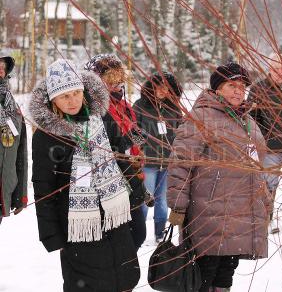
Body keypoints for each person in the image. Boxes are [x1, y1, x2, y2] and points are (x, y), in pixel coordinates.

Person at [30, 59, 140, 292]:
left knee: (123, 277)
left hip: (113, 215)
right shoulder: (46, 136)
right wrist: (52, 235)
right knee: (89, 283)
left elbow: (118, 157)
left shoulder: (102, 119)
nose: (72, 101)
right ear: (53, 99)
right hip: (77, 224)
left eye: (76, 93)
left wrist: (137, 192)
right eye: (64, 96)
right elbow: (43, 188)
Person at [167, 62, 270, 292]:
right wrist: (178, 205)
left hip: (240, 213)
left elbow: (258, 168)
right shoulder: (201, 118)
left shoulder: (248, 121)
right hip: (208, 211)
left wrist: (264, 200)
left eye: (242, 86)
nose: (238, 91)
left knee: (226, 274)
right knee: (205, 274)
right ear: (217, 89)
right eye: (231, 85)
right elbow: (181, 163)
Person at [84, 53, 151, 250]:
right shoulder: (92, 108)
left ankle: (122, 274)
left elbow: (132, 137)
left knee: (137, 234)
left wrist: (138, 151)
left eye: (119, 77)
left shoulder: (125, 105)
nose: (117, 83)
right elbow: (100, 148)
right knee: (119, 239)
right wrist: (128, 141)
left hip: (131, 176)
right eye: (110, 79)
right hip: (108, 182)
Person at [249, 52, 282, 233]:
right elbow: (251, 120)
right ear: (269, 69)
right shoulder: (258, 89)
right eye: (275, 68)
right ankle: (267, 219)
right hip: (270, 148)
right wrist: (260, 140)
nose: (279, 72)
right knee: (268, 185)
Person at [133, 71, 183, 242]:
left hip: (168, 162)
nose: (163, 91)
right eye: (159, 87)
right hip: (148, 161)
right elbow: (132, 130)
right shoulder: (140, 106)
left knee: (162, 201)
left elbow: (181, 132)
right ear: (151, 87)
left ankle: (159, 234)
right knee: (146, 200)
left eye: (167, 88)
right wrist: (143, 143)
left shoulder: (174, 108)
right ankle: (138, 234)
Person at [0, 53, 27, 224]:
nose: (0, 71)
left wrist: (20, 195)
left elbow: (21, 154)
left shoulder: (13, 110)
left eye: (3, 68)